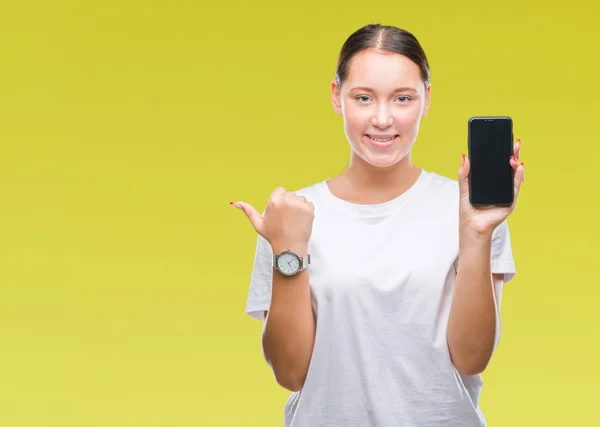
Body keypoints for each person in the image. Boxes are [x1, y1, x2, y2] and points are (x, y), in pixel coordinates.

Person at [231, 23, 525, 427]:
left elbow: (471, 358)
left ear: (426, 100)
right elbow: (290, 373)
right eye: (364, 98)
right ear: (337, 97)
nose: (383, 118)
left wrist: (476, 234)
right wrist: (287, 252)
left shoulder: (467, 210)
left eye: (403, 98)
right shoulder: (293, 215)